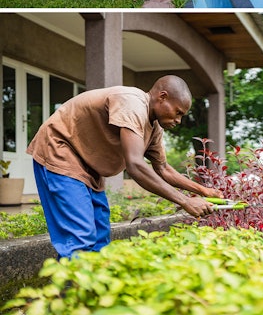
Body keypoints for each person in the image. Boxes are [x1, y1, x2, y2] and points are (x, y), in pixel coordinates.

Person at [27, 75, 223, 258]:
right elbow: (135, 165)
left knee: (100, 239)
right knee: (80, 238)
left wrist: (203, 191)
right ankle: (71, 292)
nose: (178, 120)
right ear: (162, 97)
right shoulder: (132, 103)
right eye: (177, 112)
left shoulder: (153, 127)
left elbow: (163, 168)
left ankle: (94, 291)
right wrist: (185, 202)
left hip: (88, 167)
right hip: (59, 150)